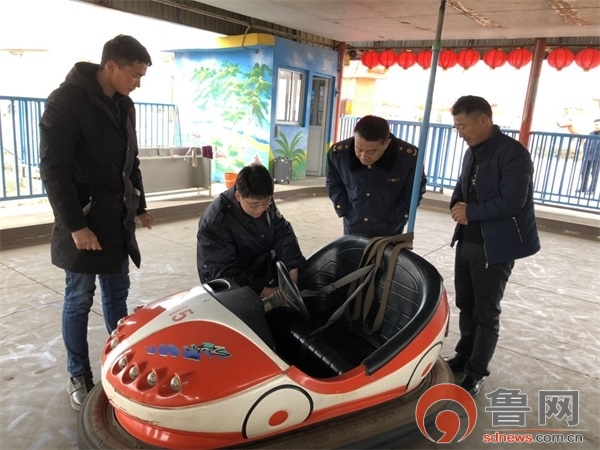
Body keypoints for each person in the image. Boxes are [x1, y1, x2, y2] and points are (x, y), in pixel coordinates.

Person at [39, 35, 154, 411]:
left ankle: (119, 362)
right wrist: (75, 226)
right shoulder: (66, 101)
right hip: (84, 222)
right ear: (111, 66)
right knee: (79, 298)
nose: (138, 83)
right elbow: (53, 169)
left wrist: (139, 205)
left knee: (117, 295)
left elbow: (130, 161)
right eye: (135, 75)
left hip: (116, 221)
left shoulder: (125, 105)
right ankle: (78, 374)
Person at [447, 95, 541, 396]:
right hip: (467, 240)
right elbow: (462, 186)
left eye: (463, 126)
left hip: (495, 246)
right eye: (456, 127)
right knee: (466, 304)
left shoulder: (513, 154)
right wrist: (456, 206)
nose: (460, 133)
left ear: (484, 119)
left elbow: (513, 201)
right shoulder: (472, 151)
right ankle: (464, 355)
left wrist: (470, 212)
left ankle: (476, 371)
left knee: (485, 312)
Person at [197, 164, 306, 310]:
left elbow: (282, 232)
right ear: (238, 196)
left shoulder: (263, 200)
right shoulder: (216, 221)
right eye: (254, 205)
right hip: (227, 285)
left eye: (266, 202)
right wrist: (272, 294)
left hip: (259, 265)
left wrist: (292, 272)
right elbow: (225, 272)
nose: (261, 209)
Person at [326, 115, 427, 237]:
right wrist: (344, 208)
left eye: (371, 151)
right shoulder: (339, 154)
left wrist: (399, 215)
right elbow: (333, 183)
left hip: (390, 229)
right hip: (353, 225)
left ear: (386, 144)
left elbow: (414, 190)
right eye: (358, 149)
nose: (363, 157)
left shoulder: (408, 158)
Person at [557, 118, 600, 195]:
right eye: (595, 124)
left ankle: (592, 190)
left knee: (594, 174)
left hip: (597, 158)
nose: (596, 126)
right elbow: (586, 142)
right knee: (584, 172)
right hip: (587, 156)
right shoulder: (591, 133)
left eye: (597, 124)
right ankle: (583, 188)